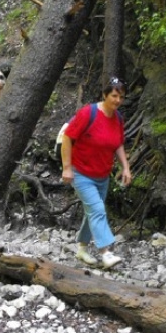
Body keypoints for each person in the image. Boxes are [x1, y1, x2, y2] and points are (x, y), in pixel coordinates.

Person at [60, 77, 132, 269]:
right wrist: (66, 167)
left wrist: (125, 167)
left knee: (91, 211)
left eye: (121, 97)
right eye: (114, 96)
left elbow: (117, 144)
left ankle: (82, 249)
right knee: (98, 210)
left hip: (102, 175)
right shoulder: (88, 113)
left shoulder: (117, 119)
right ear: (105, 95)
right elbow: (67, 138)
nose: (117, 100)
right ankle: (106, 253)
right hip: (81, 172)